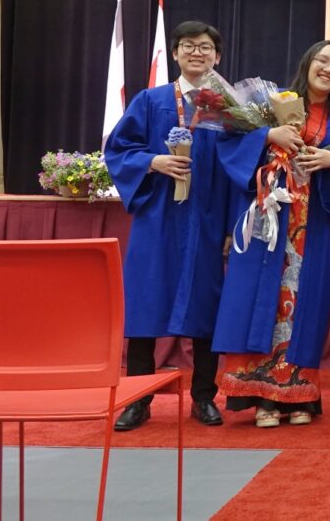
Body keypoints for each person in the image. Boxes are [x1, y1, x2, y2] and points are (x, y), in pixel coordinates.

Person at [212, 41, 330, 427]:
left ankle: (297, 394)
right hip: (268, 219)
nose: (328, 69)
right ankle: (260, 397)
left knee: (305, 305)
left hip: (313, 226)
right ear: (308, 62)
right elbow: (229, 144)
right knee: (262, 300)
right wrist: (268, 135)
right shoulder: (274, 103)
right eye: (323, 60)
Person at [104, 21, 231, 430]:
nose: (197, 52)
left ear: (217, 56)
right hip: (158, 218)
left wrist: (232, 227)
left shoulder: (229, 108)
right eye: (188, 46)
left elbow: (239, 170)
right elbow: (118, 149)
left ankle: (204, 397)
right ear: (174, 53)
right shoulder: (151, 100)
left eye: (206, 47)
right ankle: (138, 400)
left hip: (207, 218)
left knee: (206, 306)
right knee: (145, 305)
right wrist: (152, 161)